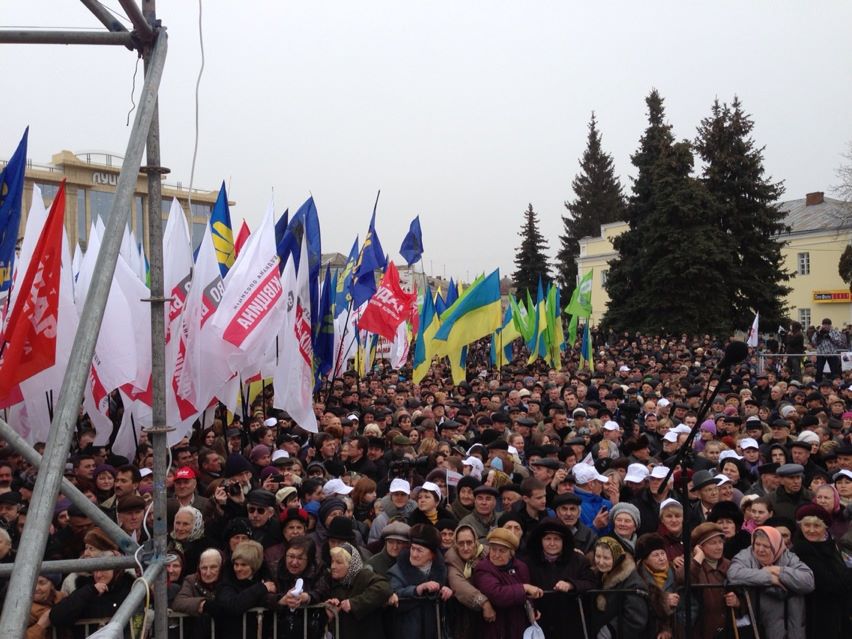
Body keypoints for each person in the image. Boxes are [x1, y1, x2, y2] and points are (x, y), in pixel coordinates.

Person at [728, 526, 815, 639]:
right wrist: (770, 578)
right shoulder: (746, 556)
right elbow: (733, 574)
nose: (760, 549)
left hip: (793, 629)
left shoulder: (787, 557)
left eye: (766, 546)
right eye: (757, 544)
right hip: (761, 629)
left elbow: (808, 581)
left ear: (775, 546)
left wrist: (778, 571)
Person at [524, 518, 595, 638]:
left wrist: (571, 585)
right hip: (540, 623)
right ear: (540, 540)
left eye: (556, 539)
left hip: (570, 624)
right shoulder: (528, 562)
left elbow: (591, 583)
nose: (552, 543)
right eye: (547, 539)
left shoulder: (578, 560)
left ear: (564, 541)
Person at [791, 504, 852, 639]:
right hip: (815, 614)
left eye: (817, 526)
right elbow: (831, 584)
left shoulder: (831, 546)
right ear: (800, 526)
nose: (811, 530)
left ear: (825, 528)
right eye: (807, 525)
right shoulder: (800, 552)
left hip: (839, 613)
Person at [472, 527, 542, 639]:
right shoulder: (483, 569)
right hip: (496, 629)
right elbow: (497, 594)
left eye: (502, 551)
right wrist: (524, 588)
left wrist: (532, 609)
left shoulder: (521, 567)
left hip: (520, 627)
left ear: (511, 553)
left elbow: (528, 597)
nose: (496, 554)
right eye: (493, 549)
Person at [49, 552, 136, 639]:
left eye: (104, 569)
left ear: (116, 571)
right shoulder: (85, 588)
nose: (98, 575)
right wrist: (90, 591)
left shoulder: (130, 590)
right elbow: (56, 617)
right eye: (95, 570)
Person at [388, 524, 452, 639]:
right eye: (412, 548)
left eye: (419, 550)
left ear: (432, 555)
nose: (414, 554)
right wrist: (416, 590)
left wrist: (446, 591)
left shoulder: (441, 570)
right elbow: (394, 595)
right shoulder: (397, 571)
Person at [676, 523, 740, 639]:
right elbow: (682, 578)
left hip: (726, 631)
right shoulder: (692, 564)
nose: (719, 547)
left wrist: (737, 602)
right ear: (700, 546)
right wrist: (698, 557)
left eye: (720, 542)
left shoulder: (730, 565)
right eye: (713, 543)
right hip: (700, 631)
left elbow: (745, 594)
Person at [325, 542, 392, 639]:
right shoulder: (333, 582)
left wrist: (354, 603)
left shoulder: (363, 576)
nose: (333, 566)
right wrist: (332, 611)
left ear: (351, 564)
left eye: (338, 562)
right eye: (332, 562)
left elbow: (384, 588)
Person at [213, 540, 278, 637]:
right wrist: (260, 588)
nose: (238, 569)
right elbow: (232, 605)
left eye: (243, 565)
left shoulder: (266, 578)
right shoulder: (226, 582)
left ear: (254, 566)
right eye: (236, 564)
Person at [588, 536, 648, 639]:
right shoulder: (597, 575)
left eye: (606, 558)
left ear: (616, 558)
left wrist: (610, 630)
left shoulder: (633, 582)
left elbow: (636, 619)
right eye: (598, 556)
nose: (601, 562)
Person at [274, 536, 330, 639]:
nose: (294, 562)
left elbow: (322, 590)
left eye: (300, 558)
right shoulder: (276, 569)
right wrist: (282, 599)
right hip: (280, 630)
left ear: (309, 559)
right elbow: (265, 595)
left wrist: (307, 597)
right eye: (291, 556)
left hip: (311, 630)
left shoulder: (319, 569)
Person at [444, 523, 494, 639]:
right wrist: (484, 603)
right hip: (465, 616)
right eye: (461, 543)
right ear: (455, 544)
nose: (465, 548)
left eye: (469, 542)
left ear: (475, 541)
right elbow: (458, 584)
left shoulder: (487, 553)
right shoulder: (452, 558)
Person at [172, 548, 224, 639]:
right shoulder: (191, 580)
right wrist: (203, 604)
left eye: (213, 567)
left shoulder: (227, 580)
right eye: (204, 568)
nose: (208, 573)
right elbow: (178, 602)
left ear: (221, 567)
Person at [634, 533, 678, 639]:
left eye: (663, 553)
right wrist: (663, 600)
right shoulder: (637, 578)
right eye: (655, 555)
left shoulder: (674, 572)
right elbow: (639, 610)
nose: (661, 558)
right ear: (645, 559)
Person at [27, 574, 65, 639]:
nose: (36, 588)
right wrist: (40, 626)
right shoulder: (20, 609)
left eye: (41, 583)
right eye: (31, 583)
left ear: (52, 585)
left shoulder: (63, 599)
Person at [811, 318, 845, 382]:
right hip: (821, 354)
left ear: (830, 325)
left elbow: (839, 342)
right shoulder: (818, 332)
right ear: (822, 325)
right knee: (819, 370)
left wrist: (830, 337)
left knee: (834, 370)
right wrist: (818, 334)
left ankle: (835, 383)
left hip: (832, 353)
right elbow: (813, 341)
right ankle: (818, 383)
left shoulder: (834, 332)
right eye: (824, 325)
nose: (826, 326)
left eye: (827, 325)